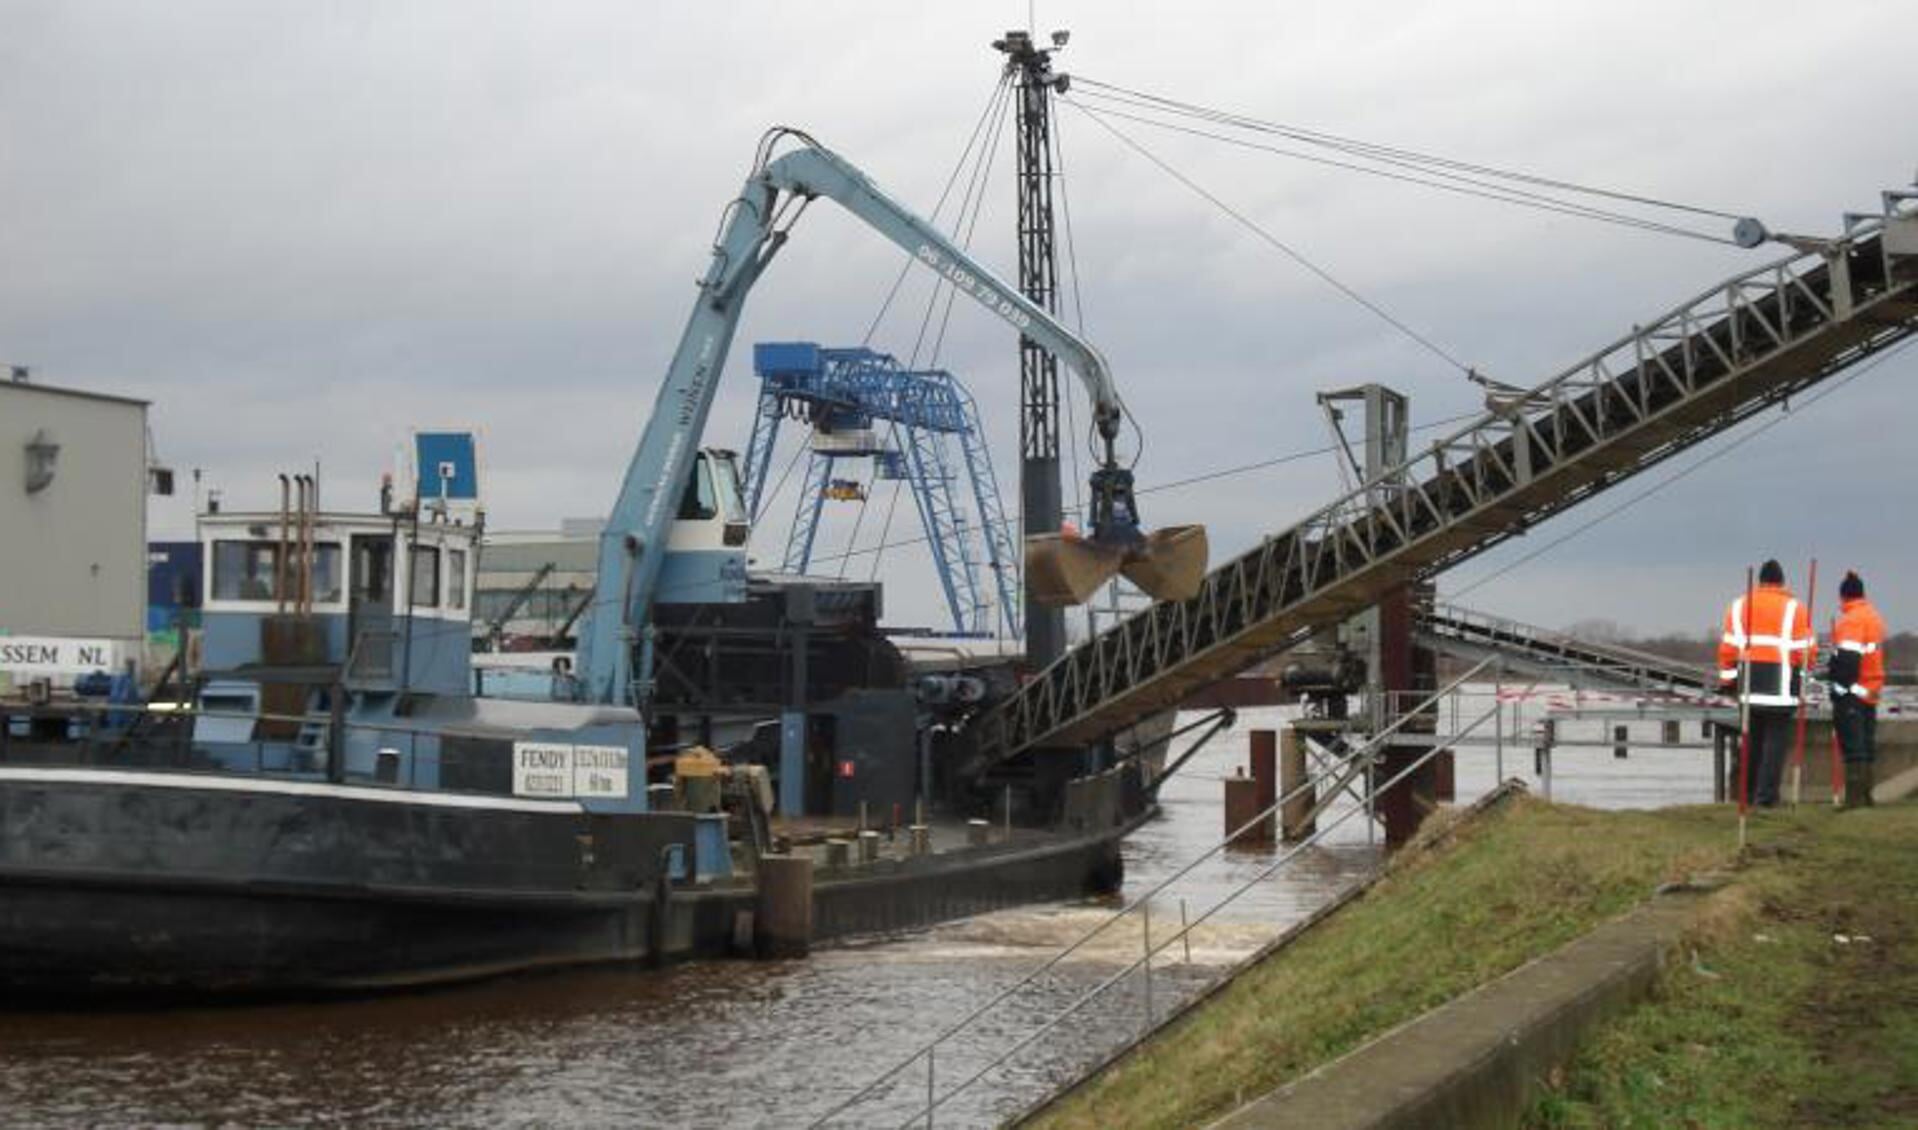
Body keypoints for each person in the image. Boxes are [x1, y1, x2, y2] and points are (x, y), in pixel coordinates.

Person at [1717, 559, 1814, 807]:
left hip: (1748, 684)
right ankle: (1766, 797)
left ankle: (1747, 795)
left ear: (1759, 581)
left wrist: (1728, 682)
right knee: (1775, 742)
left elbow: (1728, 650)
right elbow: (1805, 653)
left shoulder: (1738, 606)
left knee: (1751, 741)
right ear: (1781, 582)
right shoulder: (1795, 608)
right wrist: (1802, 680)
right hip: (1780, 686)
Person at [1826, 571, 1886, 809]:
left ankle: (1854, 801)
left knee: (1853, 747)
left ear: (1843, 597)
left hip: (1853, 692)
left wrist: (1838, 689)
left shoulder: (1851, 621)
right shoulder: (1873, 617)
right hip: (1871, 690)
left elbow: (1849, 661)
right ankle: (1867, 797)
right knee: (1867, 744)